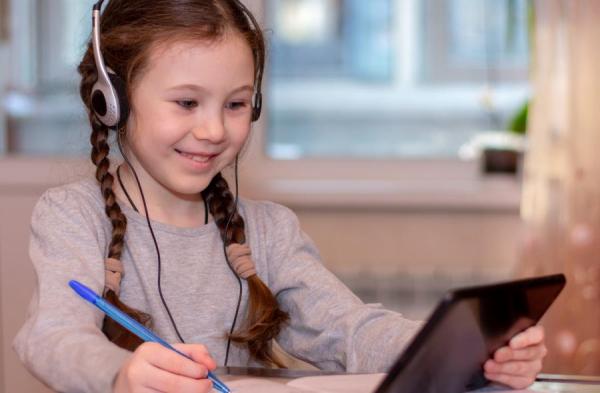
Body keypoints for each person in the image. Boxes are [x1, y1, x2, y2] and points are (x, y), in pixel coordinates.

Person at [13, 1, 547, 392]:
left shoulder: (268, 230)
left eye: (236, 104)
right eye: (186, 102)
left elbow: (347, 328)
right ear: (112, 101)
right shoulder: (73, 216)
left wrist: (465, 350)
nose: (213, 130)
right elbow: (52, 338)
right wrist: (121, 376)